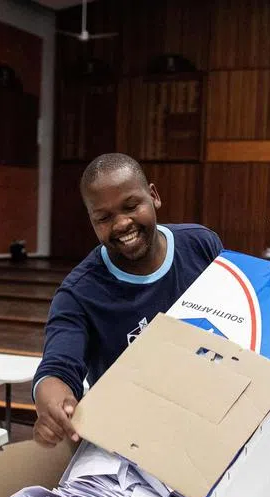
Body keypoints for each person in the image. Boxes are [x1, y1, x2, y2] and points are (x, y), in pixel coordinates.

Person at [32, 153, 223, 447]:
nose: (121, 223)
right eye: (104, 218)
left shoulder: (201, 245)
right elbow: (58, 368)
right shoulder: (79, 293)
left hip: (210, 416)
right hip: (131, 436)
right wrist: (56, 403)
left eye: (131, 206)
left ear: (154, 196)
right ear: (92, 221)